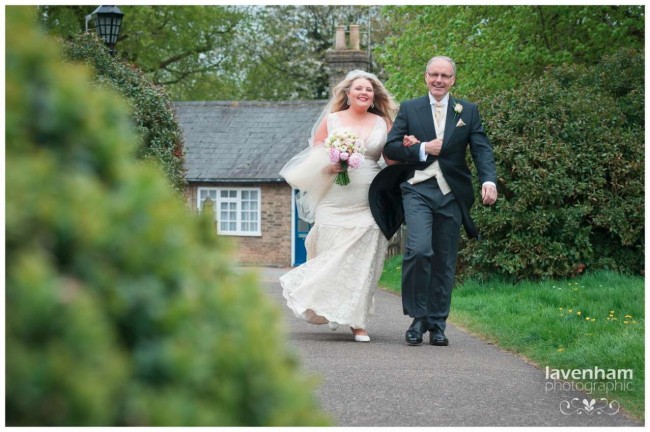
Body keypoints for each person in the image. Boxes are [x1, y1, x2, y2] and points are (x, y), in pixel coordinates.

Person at [369, 56, 498, 346]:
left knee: (444, 259)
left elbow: (481, 150)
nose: (439, 80)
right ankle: (418, 318)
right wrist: (423, 148)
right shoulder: (410, 108)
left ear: (453, 80)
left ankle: (437, 324)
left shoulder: (468, 111)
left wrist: (488, 180)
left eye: (445, 76)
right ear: (426, 77)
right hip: (417, 189)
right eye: (434, 74)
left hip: (452, 194)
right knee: (418, 250)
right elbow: (391, 147)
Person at [279, 70, 398, 342]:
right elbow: (316, 152)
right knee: (333, 254)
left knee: (363, 256)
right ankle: (332, 306)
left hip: (370, 200)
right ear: (347, 94)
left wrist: (409, 153)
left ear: (374, 96)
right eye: (358, 88)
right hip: (334, 198)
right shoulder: (332, 121)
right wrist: (332, 163)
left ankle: (358, 322)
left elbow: (392, 159)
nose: (364, 93)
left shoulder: (383, 122)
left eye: (369, 89)